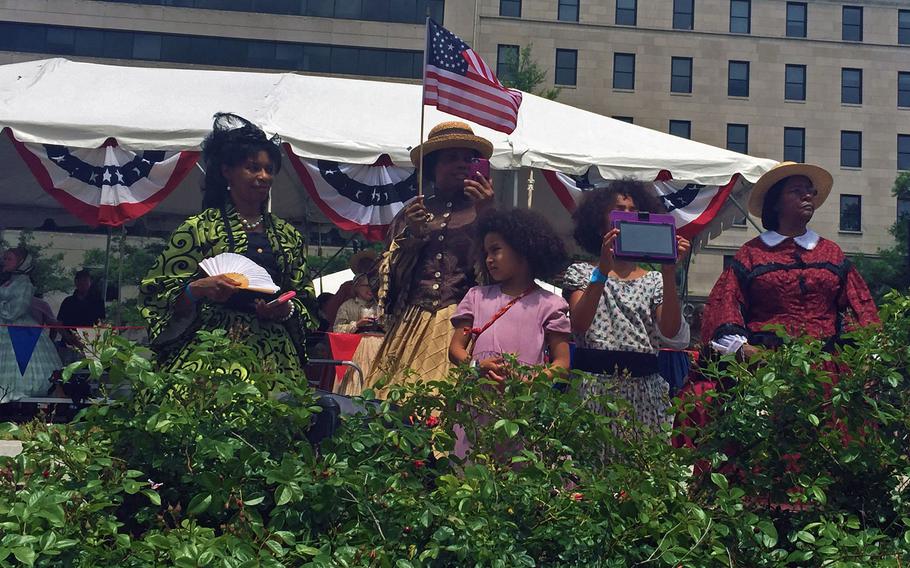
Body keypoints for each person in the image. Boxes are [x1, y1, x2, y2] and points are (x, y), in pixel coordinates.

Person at [139, 113, 316, 377]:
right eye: (253, 167)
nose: (264, 176)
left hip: (274, 357)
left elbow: (305, 299)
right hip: (210, 350)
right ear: (226, 172)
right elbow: (156, 292)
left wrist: (285, 309)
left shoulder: (288, 235)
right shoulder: (198, 229)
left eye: (269, 169)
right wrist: (196, 289)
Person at [699, 162, 879, 358]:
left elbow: (862, 310)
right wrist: (742, 348)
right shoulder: (751, 253)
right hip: (767, 371)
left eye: (810, 191)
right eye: (796, 190)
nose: (807, 196)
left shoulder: (832, 253)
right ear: (776, 203)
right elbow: (725, 306)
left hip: (826, 373)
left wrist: (866, 357)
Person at [368, 121, 495, 392]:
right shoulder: (412, 213)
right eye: (451, 158)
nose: (461, 164)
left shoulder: (487, 211)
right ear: (433, 166)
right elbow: (383, 279)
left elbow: (506, 271)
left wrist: (488, 215)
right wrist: (412, 237)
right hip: (412, 322)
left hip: (465, 323)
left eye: (468, 159)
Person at [563, 180, 691, 436]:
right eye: (619, 209)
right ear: (600, 222)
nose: (628, 216)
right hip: (593, 388)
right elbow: (579, 324)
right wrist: (602, 269)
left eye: (634, 210)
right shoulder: (581, 273)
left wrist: (668, 272)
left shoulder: (653, 279)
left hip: (644, 390)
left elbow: (670, 331)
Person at [449, 208, 571, 378]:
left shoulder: (550, 304)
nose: (488, 259)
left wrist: (530, 382)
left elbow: (562, 363)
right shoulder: (476, 296)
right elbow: (455, 349)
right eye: (486, 253)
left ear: (522, 248)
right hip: (474, 396)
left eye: (495, 250)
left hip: (521, 400)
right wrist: (476, 366)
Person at [0, 247, 63, 402]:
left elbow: (15, 311)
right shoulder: (9, 282)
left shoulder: (25, 284)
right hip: (5, 326)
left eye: (9, 259)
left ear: (21, 262)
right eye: (4, 258)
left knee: (19, 365)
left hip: (18, 329)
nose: (4, 261)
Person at [332, 274, 384, 396]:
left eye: (373, 285)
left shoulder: (380, 306)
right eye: (366, 285)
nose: (370, 289)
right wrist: (357, 324)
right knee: (357, 377)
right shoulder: (347, 306)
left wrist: (382, 322)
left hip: (379, 347)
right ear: (356, 287)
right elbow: (337, 329)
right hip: (357, 349)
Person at [323, 249, 378, 327]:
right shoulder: (347, 287)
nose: (367, 268)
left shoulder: (381, 287)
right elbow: (331, 310)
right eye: (364, 265)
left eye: (370, 266)